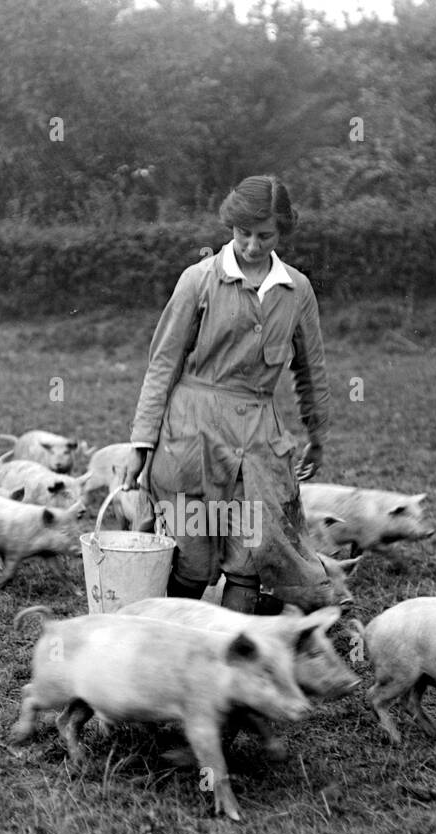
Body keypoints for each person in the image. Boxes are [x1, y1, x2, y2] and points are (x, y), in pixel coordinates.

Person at [122, 174, 332, 614]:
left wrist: (317, 433)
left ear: (282, 233)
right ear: (230, 227)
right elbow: (163, 363)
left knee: (248, 559)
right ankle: (172, 645)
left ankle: (226, 661)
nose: (253, 246)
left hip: (258, 446)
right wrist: (141, 443)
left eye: (265, 236)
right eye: (243, 234)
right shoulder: (198, 280)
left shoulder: (297, 291)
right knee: (193, 559)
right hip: (190, 441)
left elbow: (311, 368)